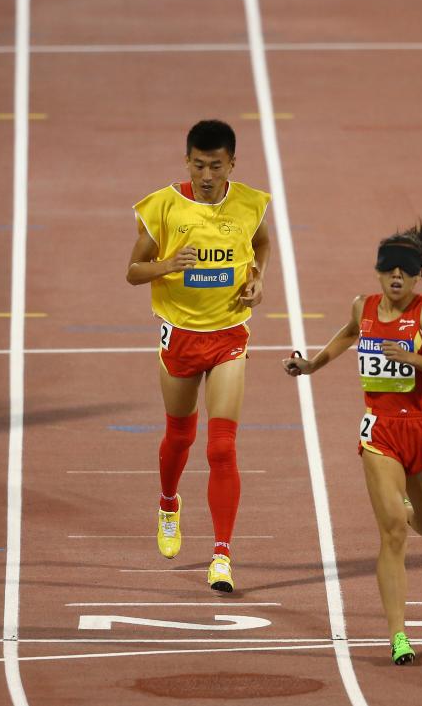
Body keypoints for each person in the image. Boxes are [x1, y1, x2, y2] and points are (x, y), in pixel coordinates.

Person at [282, 221, 422, 665]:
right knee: (393, 532)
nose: (396, 277)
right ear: (379, 273)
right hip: (380, 431)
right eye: (388, 271)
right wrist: (311, 365)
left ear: (417, 276)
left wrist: (413, 358)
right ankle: (398, 634)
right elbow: (347, 334)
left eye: (404, 271)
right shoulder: (363, 307)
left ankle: (408, 507)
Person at [126, 120, 271, 593]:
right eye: (198, 164)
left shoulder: (250, 203)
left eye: (216, 165)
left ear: (232, 164)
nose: (207, 174)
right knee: (180, 437)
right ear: (187, 161)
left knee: (222, 447)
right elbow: (133, 270)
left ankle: (222, 557)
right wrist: (167, 265)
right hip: (182, 338)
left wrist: (257, 277)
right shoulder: (164, 206)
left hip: (229, 336)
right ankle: (169, 502)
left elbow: (262, 243)